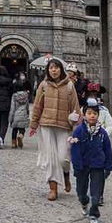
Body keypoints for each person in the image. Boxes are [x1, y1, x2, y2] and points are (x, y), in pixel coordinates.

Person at [30, 58, 81, 201]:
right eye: (51, 68)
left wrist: (78, 125)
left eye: (56, 67)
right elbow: (37, 106)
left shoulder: (70, 86)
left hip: (64, 126)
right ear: (48, 70)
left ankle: (65, 174)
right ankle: (53, 188)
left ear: (61, 69)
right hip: (46, 125)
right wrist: (34, 124)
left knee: (63, 158)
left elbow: (75, 107)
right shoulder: (44, 85)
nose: (54, 70)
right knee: (51, 158)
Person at [69, 103, 112, 223]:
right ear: (84, 115)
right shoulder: (79, 131)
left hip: (98, 165)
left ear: (98, 115)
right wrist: (77, 166)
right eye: (89, 113)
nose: (92, 116)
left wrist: (108, 166)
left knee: (96, 193)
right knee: (81, 191)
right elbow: (75, 150)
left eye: (95, 113)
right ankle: (84, 202)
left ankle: (94, 214)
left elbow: (108, 150)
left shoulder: (102, 133)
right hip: (82, 166)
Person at [9, 82, 30, 148]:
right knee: (22, 129)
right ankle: (20, 135)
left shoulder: (14, 96)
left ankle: (13, 143)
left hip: (15, 115)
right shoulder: (26, 95)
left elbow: (12, 108)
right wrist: (27, 113)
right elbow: (27, 106)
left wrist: (10, 119)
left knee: (14, 130)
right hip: (23, 114)